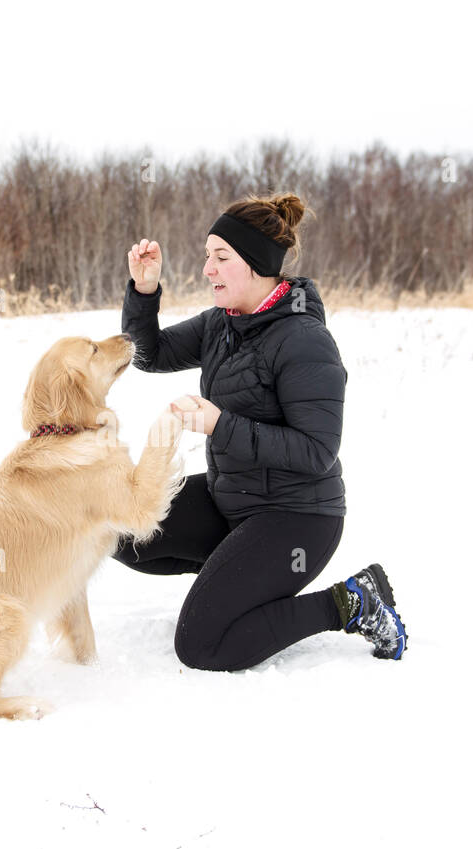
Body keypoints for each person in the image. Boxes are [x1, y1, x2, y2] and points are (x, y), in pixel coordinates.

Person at [113, 192, 407, 671]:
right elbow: (151, 355)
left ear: (256, 265)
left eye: (221, 257)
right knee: (124, 526)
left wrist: (219, 425)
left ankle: (354, 602)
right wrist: (144, 291)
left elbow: (317, 451)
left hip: (297, 518)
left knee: (203, 645)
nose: (207, 269)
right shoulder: (220, 325)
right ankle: (237, 582)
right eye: (207, 256)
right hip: (235, 501)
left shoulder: (304, 341)